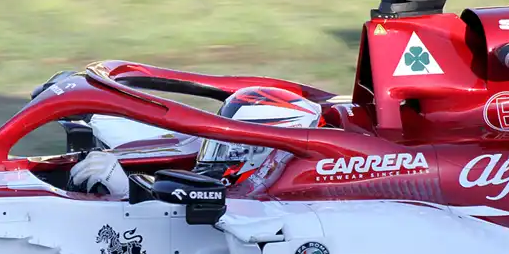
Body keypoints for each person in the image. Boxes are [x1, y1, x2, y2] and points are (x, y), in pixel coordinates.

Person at [69, 86, 324, 197]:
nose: (218, 154)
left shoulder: (277, 202)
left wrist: (126, 193)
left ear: (265, 151)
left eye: (231, 147)